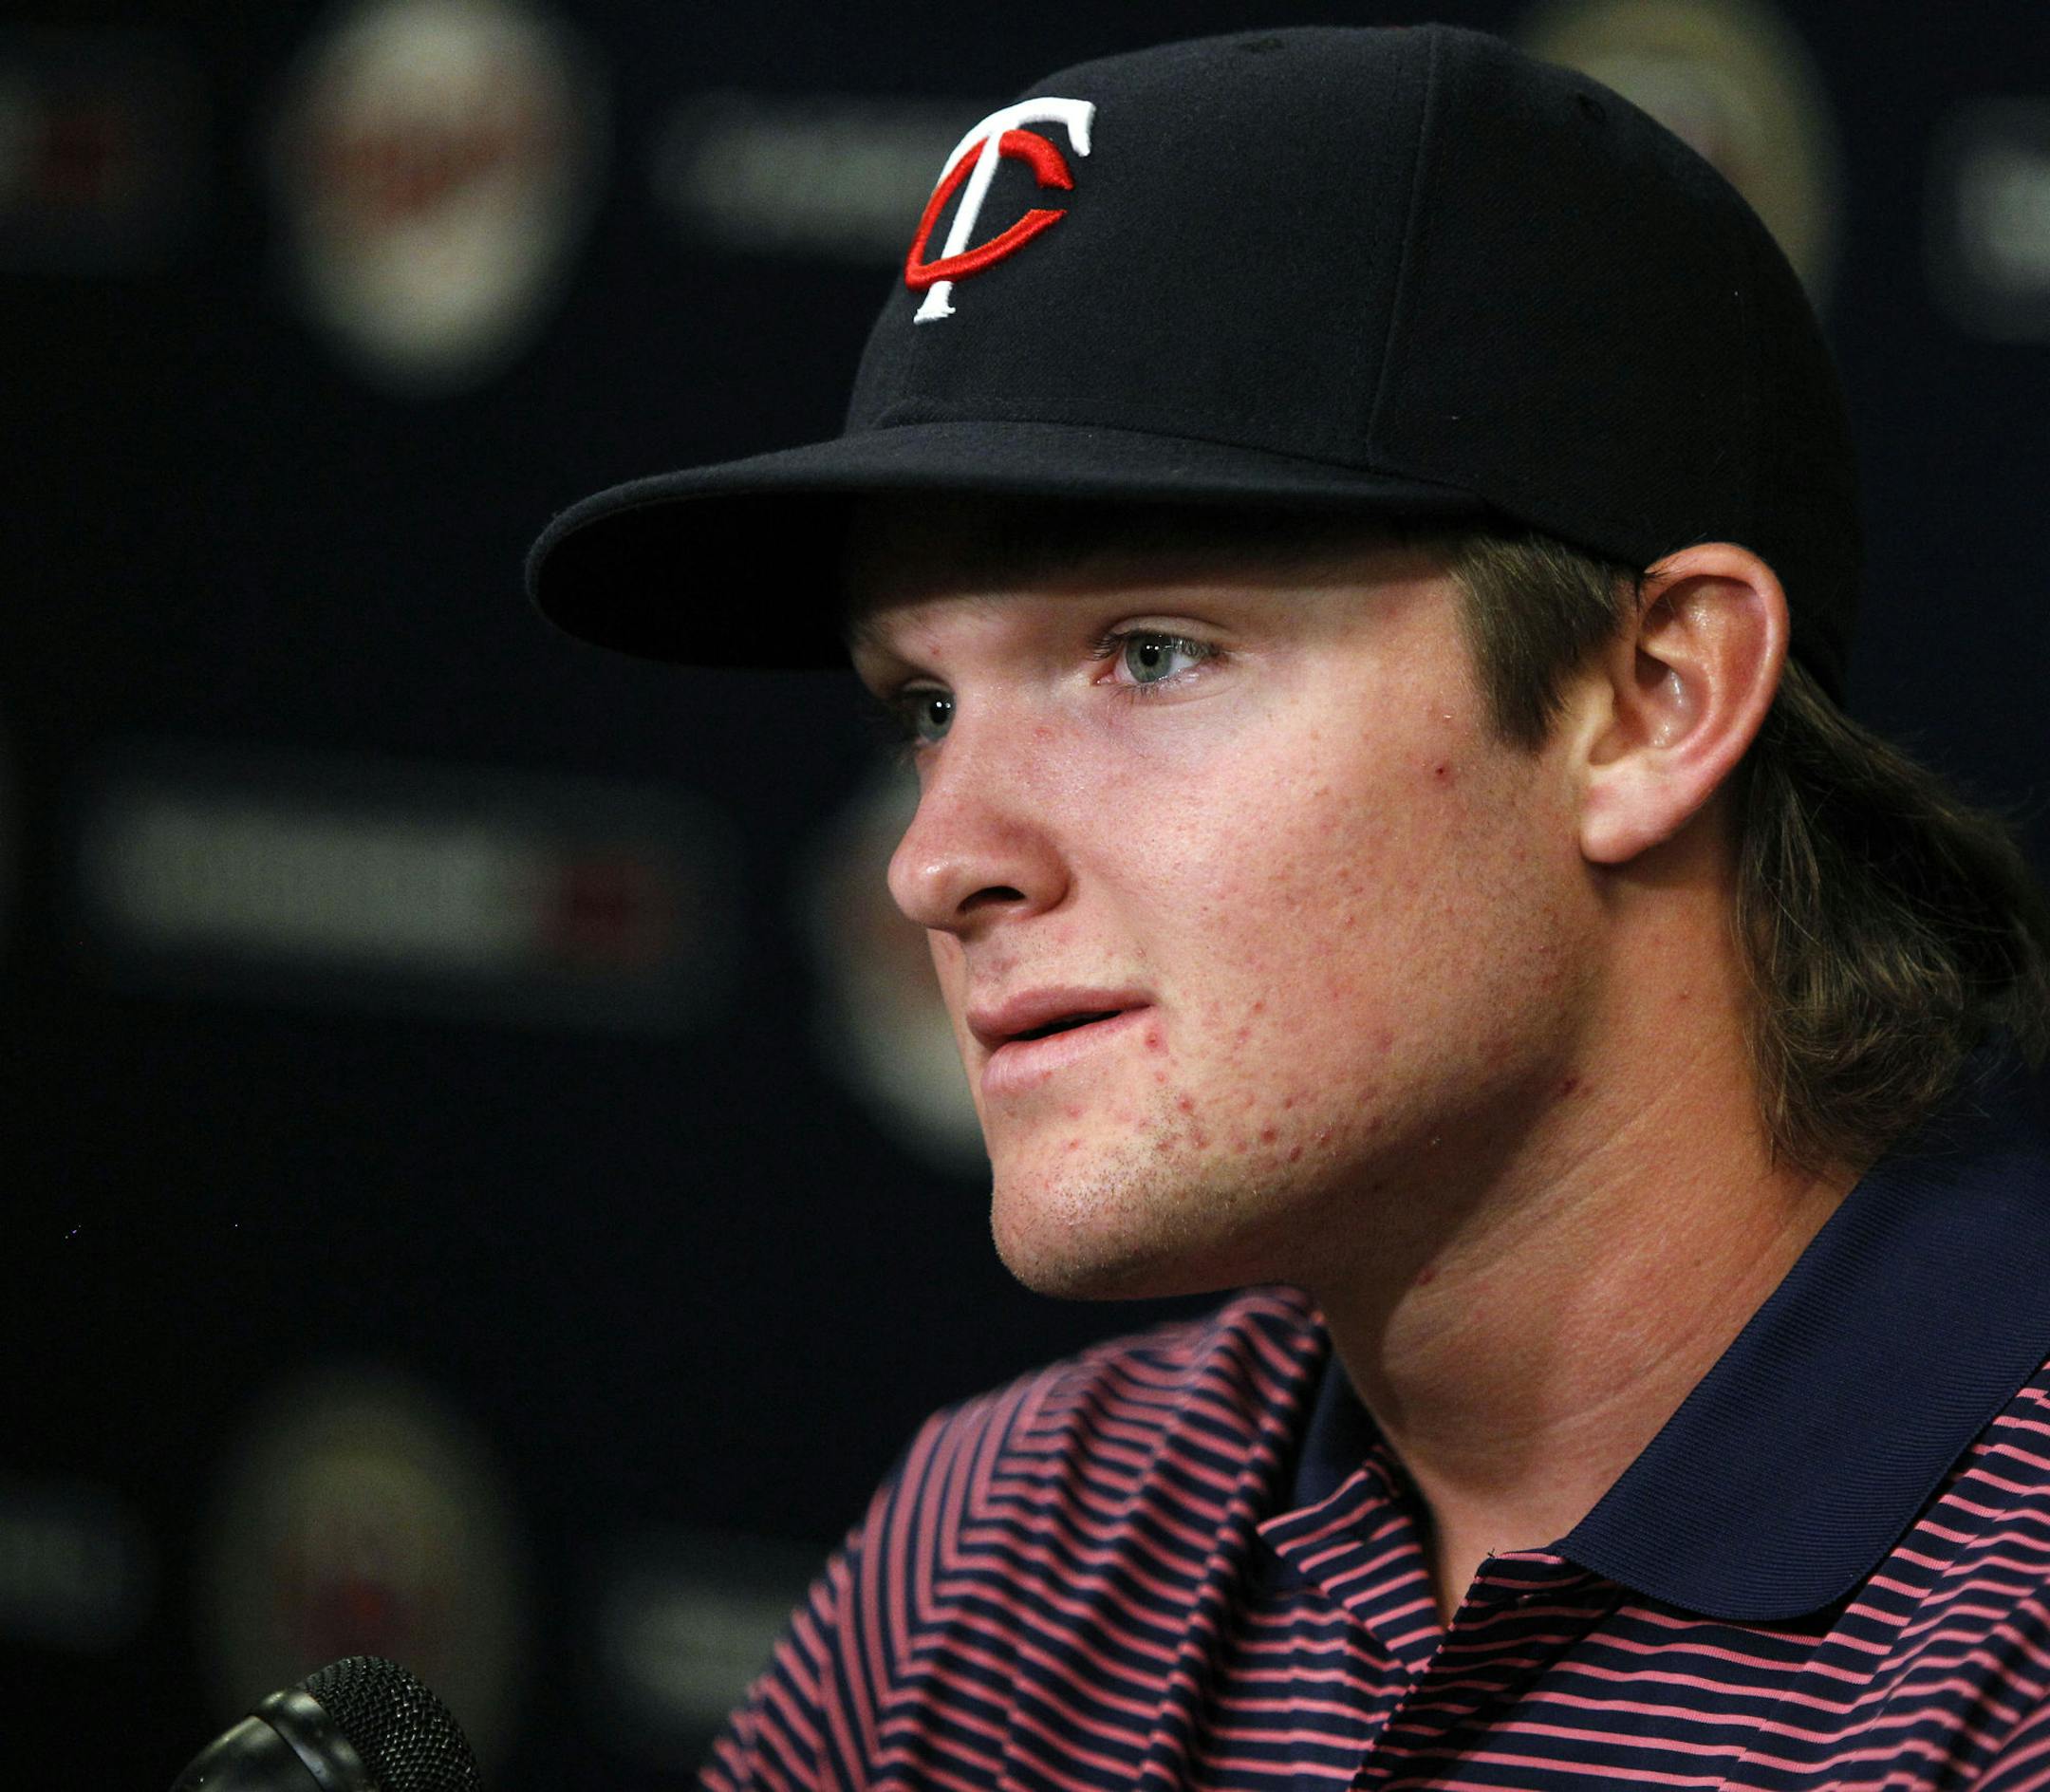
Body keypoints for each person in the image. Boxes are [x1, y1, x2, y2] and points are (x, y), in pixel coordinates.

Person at [527, 24, 2050, 1791]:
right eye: (924, 710)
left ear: (1654, 700)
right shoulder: (1001, 1557)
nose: (934, 862)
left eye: (1149, 656)